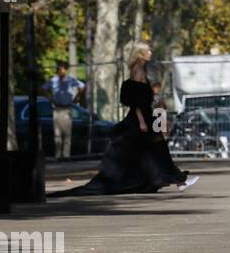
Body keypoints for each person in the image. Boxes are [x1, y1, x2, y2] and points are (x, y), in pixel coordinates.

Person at [62, 42, 194, 196]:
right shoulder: (138, 71)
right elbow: (135, 99)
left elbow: (143, 98)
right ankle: (177, 180)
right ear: (140, 53)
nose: (150, 52)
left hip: (147, 114)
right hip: (141, 117)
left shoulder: (141, 70)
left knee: (155, 148)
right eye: (147, 50)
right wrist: (142, 121)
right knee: (155, 147)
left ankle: (176, 180)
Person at [44, 61, 85, 159]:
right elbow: (43, 88)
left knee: (67, 134)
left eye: (63, 68)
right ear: (58, 70)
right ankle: (58, 156)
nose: (62, 70)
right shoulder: (53, 80)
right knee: (57, 134)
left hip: (67, 108)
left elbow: (82, 86)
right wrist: (50, 98)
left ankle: (66, 156)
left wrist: (77, 97)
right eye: (60, 68)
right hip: (57, 109)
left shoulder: (70, 80)